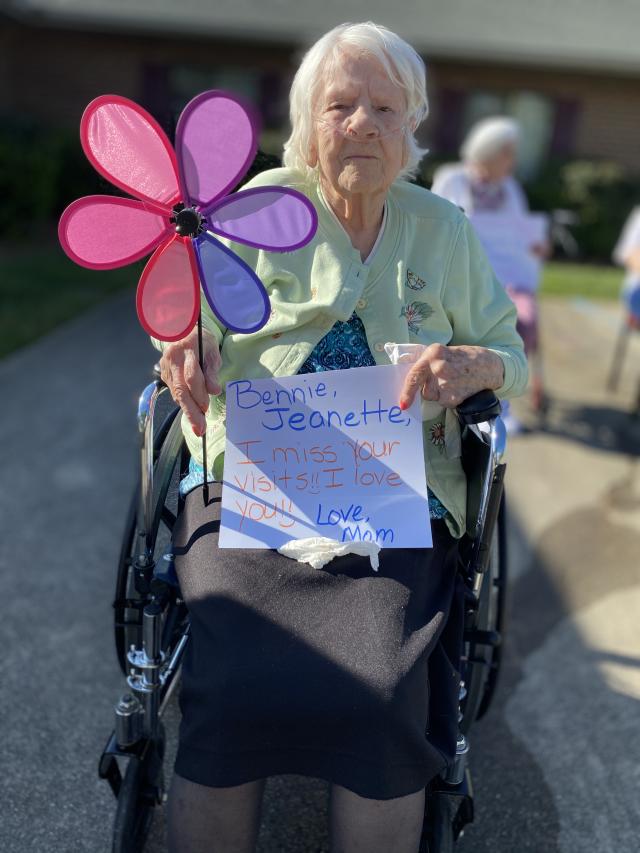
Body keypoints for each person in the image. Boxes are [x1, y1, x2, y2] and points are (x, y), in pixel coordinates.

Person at [156, 22, 527, 853]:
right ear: (305, 120)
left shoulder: (444, 230)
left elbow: (511, 356)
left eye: (385, 107)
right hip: (252, 479)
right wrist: (188, 345)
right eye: (341, 104)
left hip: (398, 495)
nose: (363, 122)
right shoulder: (252, 213)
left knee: (381, 686)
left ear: (412, 126)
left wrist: (476, 365)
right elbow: (184, 324)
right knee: (235, 681)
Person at [431, 117, 547, 431]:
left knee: (524, 318)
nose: (513, 160)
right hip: (462, 277)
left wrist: (536, 247)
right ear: (488, 151)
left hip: (508, 279)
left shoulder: (510, 189)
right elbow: (435, 226)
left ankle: (500, 406)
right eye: (507, 152)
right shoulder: (452, 178)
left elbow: (522, 233)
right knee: (470, 319)